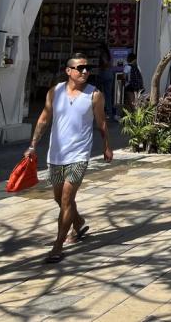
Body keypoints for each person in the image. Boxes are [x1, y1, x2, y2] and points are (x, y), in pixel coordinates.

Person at [26, 53, 113, 263]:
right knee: (59, 198)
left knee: (66, 198)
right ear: (69, 71)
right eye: (80, 68)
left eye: (87, 68)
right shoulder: (54, 92)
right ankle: (79, 221)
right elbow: (44, 119)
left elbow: (101, 123)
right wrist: (32, 145)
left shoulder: (95, 95)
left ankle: (57, 246)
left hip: (79, 155)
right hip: (55, 154)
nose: (85, 71)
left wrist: (107, 146)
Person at [98, 42, 115, 120]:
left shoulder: (103, 54)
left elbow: (105, 63)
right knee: (108, 94)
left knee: (102, 93)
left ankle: (106, 111)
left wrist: (101, 68)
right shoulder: (109, 54)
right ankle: (109, 112)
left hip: (105, 73)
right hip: (110, 73)